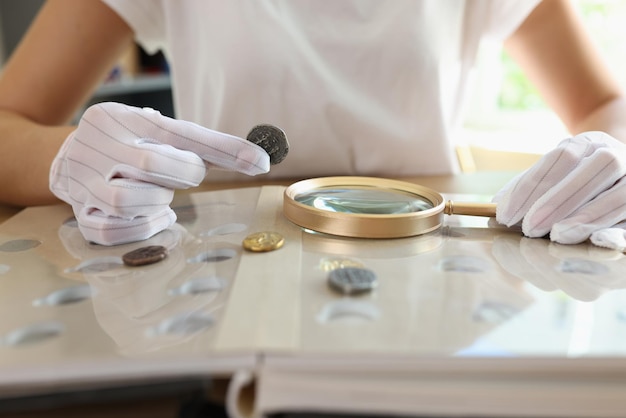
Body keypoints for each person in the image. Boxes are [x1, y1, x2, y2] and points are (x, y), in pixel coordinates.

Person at [0, 0, 625, 247]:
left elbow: (605, 101)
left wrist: (611, 149)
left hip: (434, 266)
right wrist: (68, 159)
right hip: (224, 274)